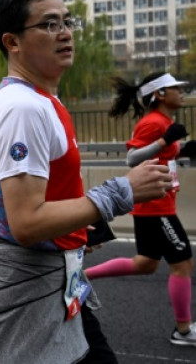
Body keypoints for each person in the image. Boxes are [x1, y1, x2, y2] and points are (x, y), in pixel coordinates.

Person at [0, 0, 171, 363]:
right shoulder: (25, 108)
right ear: (12, 42)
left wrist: (74, 222)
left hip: (55, 284)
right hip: (27, 294)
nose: (65, 33)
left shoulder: (29, 99)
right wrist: (117, 194)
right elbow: (26, 223)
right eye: (49, 24)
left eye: (68, 22)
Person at [83, 72, 196, 345]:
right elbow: (133, 158)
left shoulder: (164, 121)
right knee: (182, 263)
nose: (181, 93)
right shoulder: (153, 122)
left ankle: (82, 275)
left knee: (146, 263)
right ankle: (183, 331)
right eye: (175, 89)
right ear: (159, 94)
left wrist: (183, 150)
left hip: (159, 204)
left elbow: (163, 154)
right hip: (156, 207)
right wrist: (165, 141)